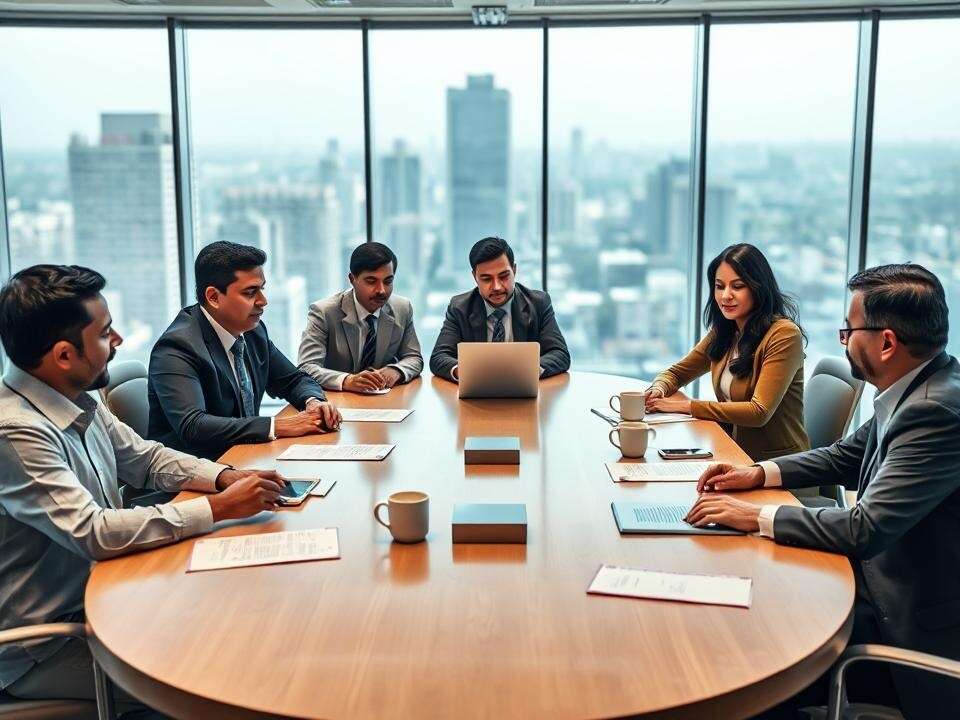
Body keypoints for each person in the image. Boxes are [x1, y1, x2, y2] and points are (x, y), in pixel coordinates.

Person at [0, 264, 288, 713]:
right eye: (105, 334)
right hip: (49, 641)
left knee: (240, 623)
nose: (117, 342)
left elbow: (144, 457)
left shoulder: (77, 393)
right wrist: (216, 509)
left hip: (111, 595)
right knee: (211, 675)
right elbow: (93, 532)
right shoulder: (17, 432)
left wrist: (223, 477)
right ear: (62, 355)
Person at [686, 263, 960, 719]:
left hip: (901, 626)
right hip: (872, 583)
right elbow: (843, 457)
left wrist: (754, 516)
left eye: (848, 330)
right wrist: (758, 474)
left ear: (886, 342)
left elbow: (863, 528)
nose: (845, 339)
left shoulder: (933, 412)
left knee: (750, 655)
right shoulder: (918, 387)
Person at [148, 241, 340, 461]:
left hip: (245, 460)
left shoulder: (252, 331)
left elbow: (293, 380)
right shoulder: (177, 347)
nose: (263, 301)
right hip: (192, 478)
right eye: (250, 293)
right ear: (213, 297)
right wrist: (278, 426)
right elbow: (194, 426)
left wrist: (313, 402)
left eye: (262, 289)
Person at [645, 243, 809, 462]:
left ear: (758, 287)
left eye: (738, 286)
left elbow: (758, 412)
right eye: (719, 286)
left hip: (778, 469)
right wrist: (659, 389)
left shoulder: (784, 335)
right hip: (731, 455)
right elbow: (676, 374)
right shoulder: (726, 331)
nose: (726, 296)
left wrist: (687, 406)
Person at [430, 236, 570, 382]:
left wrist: (524, 371)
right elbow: (439, 357)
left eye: (503, 276)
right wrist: (467, 372)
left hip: (524, 390)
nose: (496, 287)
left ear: (514, 270)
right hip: (478, 392)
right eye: (486, 279)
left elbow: (560, 354)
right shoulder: (460, 307)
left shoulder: (538, 303)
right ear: (475, 277)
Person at [298, 242, 423, 393]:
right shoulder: (324, 312)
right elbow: (306, 367)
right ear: (352, 279)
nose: (381, 290)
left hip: (384, 401)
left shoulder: (402, 308)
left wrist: (396, 371)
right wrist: (347, 380)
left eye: (388, 281)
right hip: (337, 402)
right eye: (371, 281)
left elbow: (414, 357)